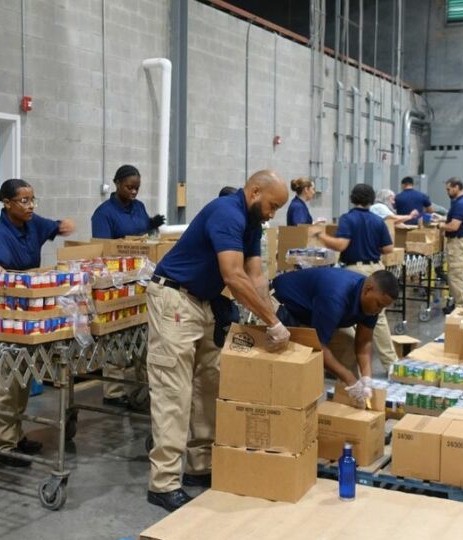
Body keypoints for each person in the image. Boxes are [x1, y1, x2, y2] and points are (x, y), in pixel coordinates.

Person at [146, 169, 291, 512]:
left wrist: (273, 316)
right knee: (174, 390)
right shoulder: (226, 212)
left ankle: (200, 466)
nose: (272, 214)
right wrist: (271, 322)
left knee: (209, 383)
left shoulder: (252, 223)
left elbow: (255, 276)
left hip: (205, 302)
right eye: (272, 205)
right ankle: (163, 483)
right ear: (255, 191)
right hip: (175, 300)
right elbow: (233, 274)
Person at [0, 179, 76, 466]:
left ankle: (15, 435)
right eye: (23, 200)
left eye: (32, 199)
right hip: (4, 305)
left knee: (23, 375)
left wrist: (64, 225)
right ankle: (3, 446)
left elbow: (55, 226)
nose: (30, 205)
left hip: (30, 305)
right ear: (7, 204)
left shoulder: (33, 223)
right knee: (7, 377)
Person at [91, 165, 165, 408]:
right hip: (116, 281)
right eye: (129, 187)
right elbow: (103, 249)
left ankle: (145, 388)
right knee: (118, 337)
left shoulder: (139, 207)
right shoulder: (103, 213)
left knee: (143, 335)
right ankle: (113, 392)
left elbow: (143, 234)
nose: (133, 192)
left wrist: (151, 225)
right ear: (116, 184)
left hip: (141, 279)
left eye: (137, 188)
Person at [273, 267, 399, 405]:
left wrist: (367, 379)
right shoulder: (335, 296)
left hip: (314, 316)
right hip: (282, 308)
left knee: (348, 347)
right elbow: (318, 345)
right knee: (294, 366)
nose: (378, 311)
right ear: (368, 289)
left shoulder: (371, 305)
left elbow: (363, 342)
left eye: (383, 307)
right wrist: (349, 378)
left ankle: (346, 413)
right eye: (379, 305)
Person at [316, 183, 398, 374]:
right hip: (376, 268)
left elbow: (341, 245)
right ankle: (391, 364)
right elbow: (388, 249)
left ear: (352, 198)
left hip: (356, 272)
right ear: (371, 200)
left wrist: (321, 236)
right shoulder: (378, 221)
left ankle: (351, 364)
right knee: (378, 319)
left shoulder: (348, 219)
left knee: (349, 316)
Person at [438, 177, 463, 313]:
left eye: (449, 189)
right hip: (456, 243)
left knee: (457, 276)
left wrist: (440, 226)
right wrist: (441, 219)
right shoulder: (458, 202)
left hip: (457, 243)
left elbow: (453, 226)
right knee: (455, 276)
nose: (447, 192)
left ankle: (461, 307)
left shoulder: (461, 204)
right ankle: (458, 302)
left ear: (456, 187)